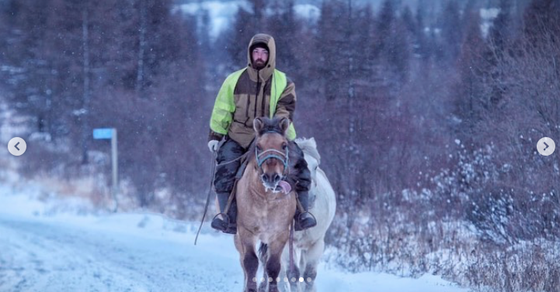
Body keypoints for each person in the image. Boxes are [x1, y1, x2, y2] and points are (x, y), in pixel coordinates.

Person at [207, 33, 317, 234]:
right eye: (255, 52)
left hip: (275, 135)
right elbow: (222, 109)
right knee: (225, 167)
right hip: (240, 136)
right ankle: (226, 216)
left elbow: (286, 109)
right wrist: (216, 135)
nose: (259, 56)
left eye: (263, 52)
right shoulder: (234, 80)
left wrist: (273, 129)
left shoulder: (283, 81)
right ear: (250, 54)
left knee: (300, 165)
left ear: (271, 55)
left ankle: (302, 213)